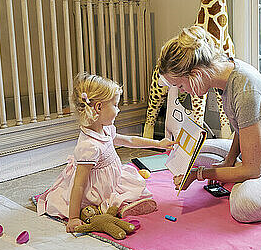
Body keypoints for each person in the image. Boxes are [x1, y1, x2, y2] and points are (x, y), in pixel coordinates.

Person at [158, 25, 261, 223]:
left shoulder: (244, 89)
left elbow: (253, 170)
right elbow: (241, 127)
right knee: (191, 153)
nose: (182, 91)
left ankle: (246, 180)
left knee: (243, 206)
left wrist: (199, 174)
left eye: (180, 85)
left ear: (196, 74)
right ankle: (233, 169)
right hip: (252, 154)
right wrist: (228, 160)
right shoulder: (226, 73)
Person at [37, 73, 175, 233]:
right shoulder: (89, 146)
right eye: (115, 105)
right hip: (95, 189)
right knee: (108, 201)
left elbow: (129, 141)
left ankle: (120, 206)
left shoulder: (106, 129)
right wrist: (73, 217)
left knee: (132, 186)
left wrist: (158, 143)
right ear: (99, 108)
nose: (118, 109)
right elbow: (79, 184)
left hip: (112, 178)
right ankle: (117, 208)